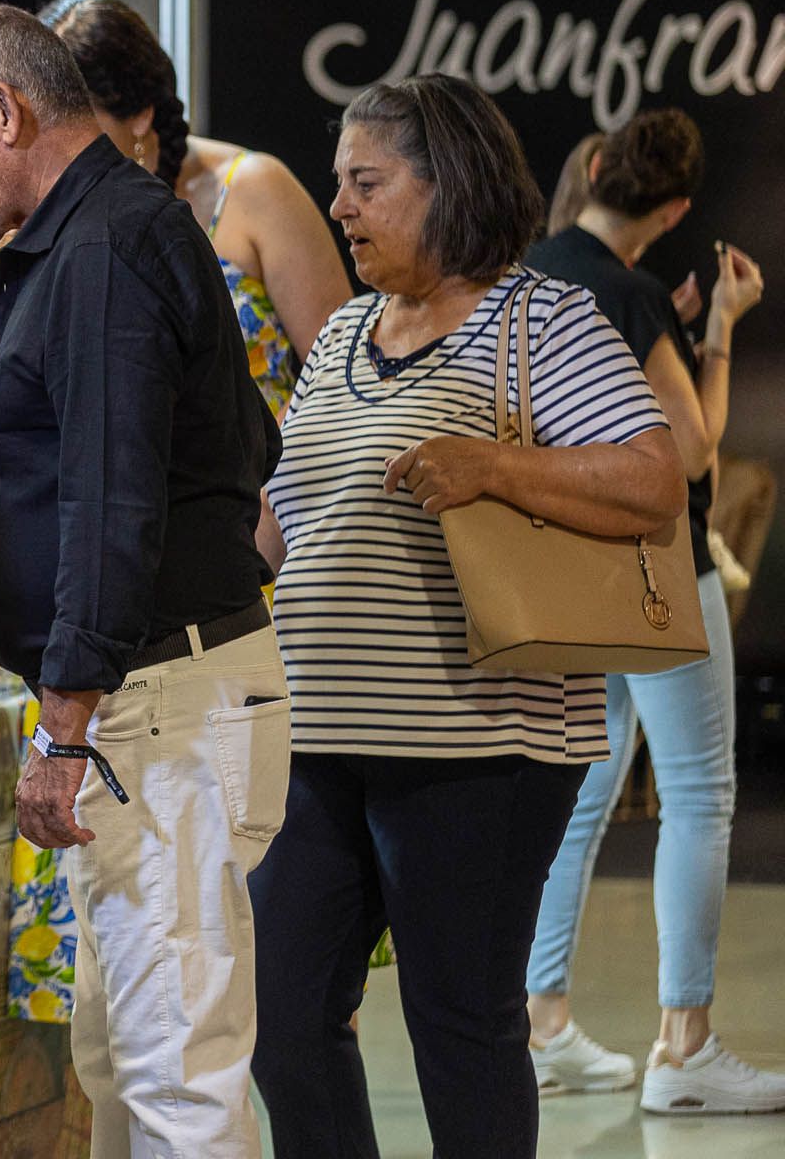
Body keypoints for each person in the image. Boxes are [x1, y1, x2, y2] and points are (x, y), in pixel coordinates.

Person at [250, 74, 687, 1159]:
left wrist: (494, 465)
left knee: (460, 1025)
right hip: (316, 740)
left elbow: (654, 481)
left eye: (366, 183)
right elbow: (284, 521)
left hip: (482, 745)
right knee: (282, 1021)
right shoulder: (346, 332)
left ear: (449, 187)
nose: (339, 208)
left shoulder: (542, 316)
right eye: (338, 184)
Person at [0, 2, 288, 1157]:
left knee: (177, 1072)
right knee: (125, 1062)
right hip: (150, 700)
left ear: (4, 111)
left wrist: (66, 725)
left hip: (155, 708)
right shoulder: (88, 235)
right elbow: (240, 452)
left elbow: (113, 501)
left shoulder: (108, 244)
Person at [522, 109, 778, 1113]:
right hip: (659, 569)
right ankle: (686, 1040)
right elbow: (695, 451)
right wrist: (716, 328)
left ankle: (541, 1023)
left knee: (583, 794)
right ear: (672, 208)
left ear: (590, 167)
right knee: (698, 794)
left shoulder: (528, 275)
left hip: (569, 568)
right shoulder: (627, 295)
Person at [0, 0, 348, 462]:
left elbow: (343, 385)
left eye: (75, 122)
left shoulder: (253, 189)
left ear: (140, 117)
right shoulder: (20, 232)